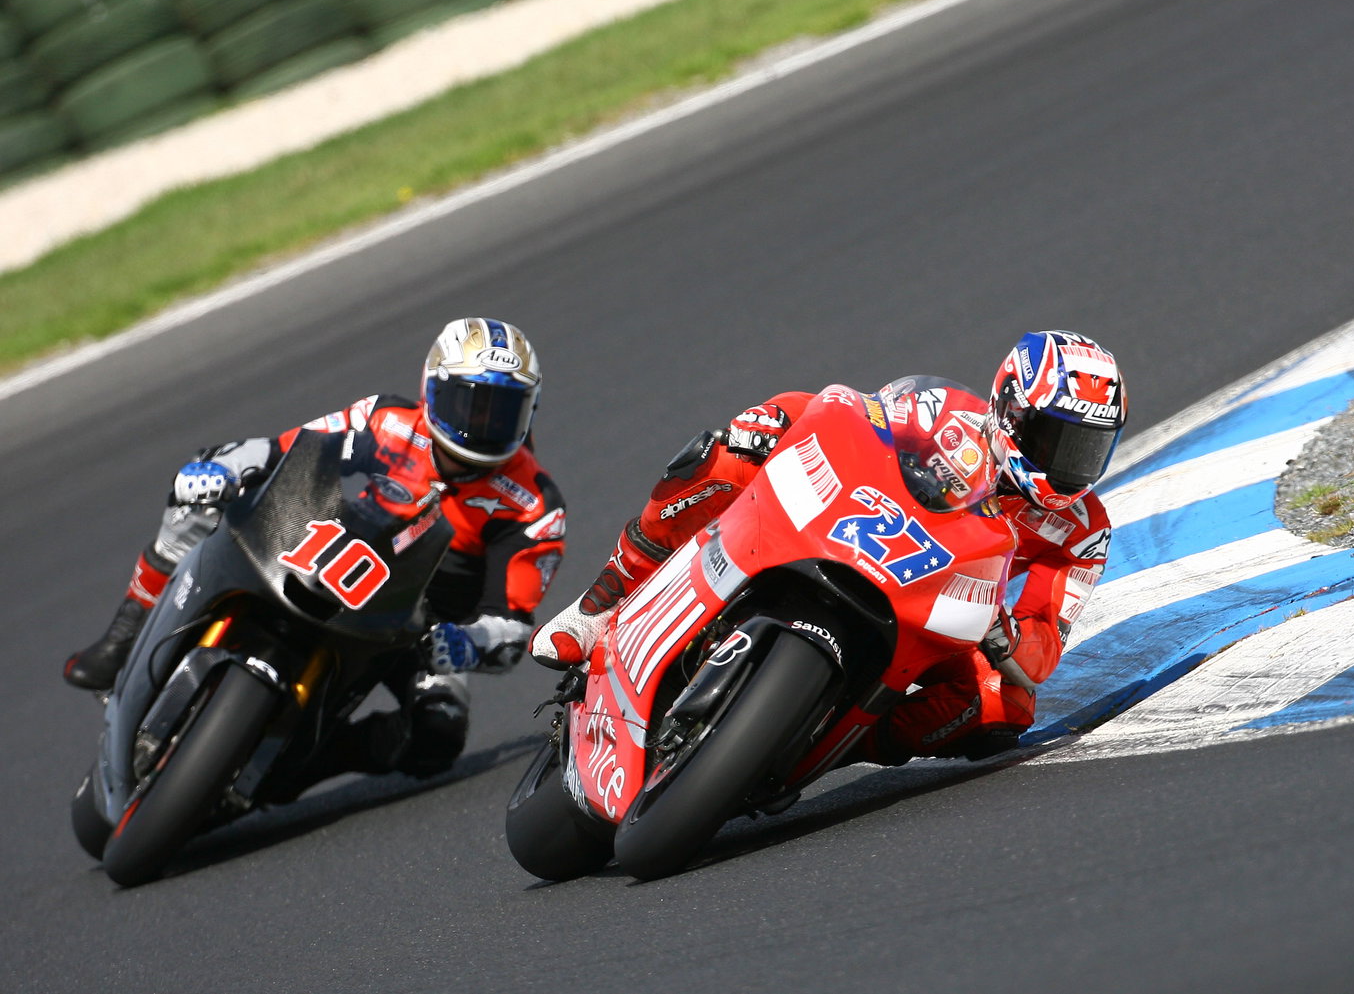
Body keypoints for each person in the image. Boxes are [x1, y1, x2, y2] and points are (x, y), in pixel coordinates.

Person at [530, 330, 1125, 764]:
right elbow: (839, 414)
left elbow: (1042, 652)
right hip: (858, 531)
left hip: (941, 603)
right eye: (1057, 439)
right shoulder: (943, 412)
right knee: (727, 455)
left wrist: (1007, 636)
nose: (1067, 466)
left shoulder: (1082, 530)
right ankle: (603, 600)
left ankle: (832, 741)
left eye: (1086, 450)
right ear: (1011, 412)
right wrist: (770, 420)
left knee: (1006, 705)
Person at [63, 317, 566, 781]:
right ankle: (123, 637)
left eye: (503, 411)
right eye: (470, 403)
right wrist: (226, 469)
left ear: (532, 411)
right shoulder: (386, 420)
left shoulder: (533, 504)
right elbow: (288, 449)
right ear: (432, 390)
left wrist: (468, 643)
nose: (482, 424)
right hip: (323, 551)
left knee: (439, 734)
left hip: (420, 626)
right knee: (194, 503)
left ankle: (299, 767)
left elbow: (514, 625)